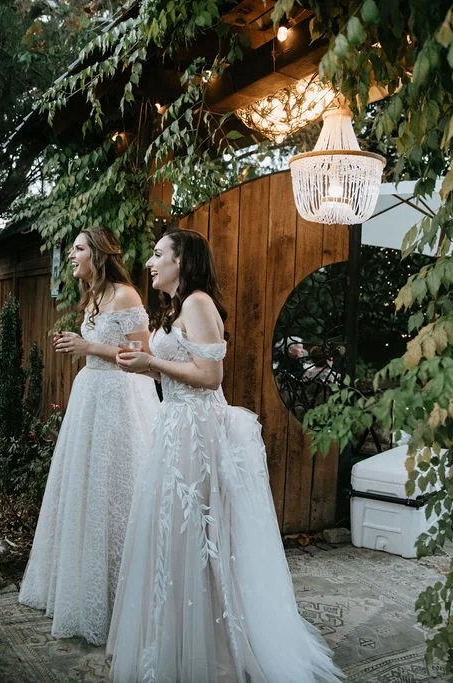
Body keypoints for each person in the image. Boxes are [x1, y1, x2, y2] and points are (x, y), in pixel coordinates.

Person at [109, 229, 342, 682]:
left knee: (199, 532)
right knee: (171, 529)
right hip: (173, 425)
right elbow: (176, 370)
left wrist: (151, 363)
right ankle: (173, 639)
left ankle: (215, 647)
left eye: (158, 254)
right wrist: (144, 364)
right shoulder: (174, 308)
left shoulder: (198, 303)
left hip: (197, 430)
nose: (150, 263)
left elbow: (211, 376)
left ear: (182, 261)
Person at [18, 227, 160, 645]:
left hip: (120, 400)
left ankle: (123, 596)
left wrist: (89, 347)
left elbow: (144, 357)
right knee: (84, 492)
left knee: (116, 492)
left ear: (98, 254)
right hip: (90, 397)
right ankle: (83, 590)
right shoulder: (93, 296)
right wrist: (82, 346)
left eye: (78, 248)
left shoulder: (126, 295)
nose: (71, 255)